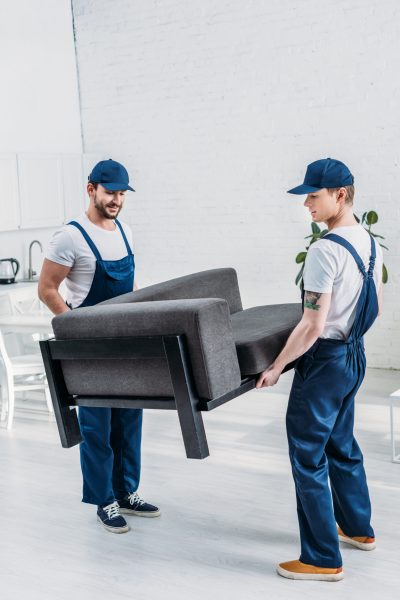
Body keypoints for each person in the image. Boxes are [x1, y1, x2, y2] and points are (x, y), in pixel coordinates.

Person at [256, 158, 383, 581]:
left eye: (313, 195)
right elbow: (371, 304)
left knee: (307, 456)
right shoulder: (367, 241)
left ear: (339, 195)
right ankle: (358, 529)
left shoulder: (324, 250)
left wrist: (277, 366)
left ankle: (322, 558)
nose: (306, 203)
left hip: (325, 360)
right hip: (354, 355)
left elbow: (312, 324)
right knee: (342, 444)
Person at [39, 159, 160, 534]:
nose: (116, 200)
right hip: (90, 348)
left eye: (122, 194)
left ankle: (127, 492)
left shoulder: (123, 230)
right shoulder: (69, 237)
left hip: (127, 345)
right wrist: (74, 329)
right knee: (98, 425)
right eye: (110, 192)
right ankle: (103, 499)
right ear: (91, 189)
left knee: (129, 421)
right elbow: (46, 289)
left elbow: (130, 287)